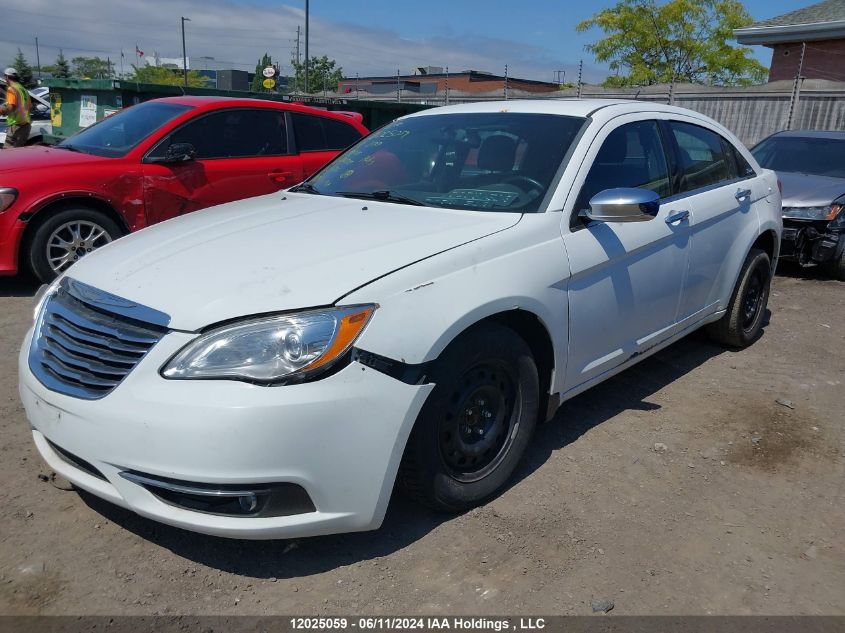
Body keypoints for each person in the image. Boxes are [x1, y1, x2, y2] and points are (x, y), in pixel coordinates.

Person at [1, 68, 31, 149]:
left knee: (8, 154)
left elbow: (11, 107)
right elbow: (29, 106)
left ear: (7, 77)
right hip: (25, 126)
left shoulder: (11, 89)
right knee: (18, 153)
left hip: (16, 126)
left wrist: (2, 111)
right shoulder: (23, 89)